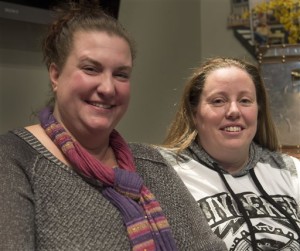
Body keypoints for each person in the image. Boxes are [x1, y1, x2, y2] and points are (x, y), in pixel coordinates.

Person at [0, 2, 227, 251]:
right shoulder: (14, 160)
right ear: (55, 75)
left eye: (121, 74)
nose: (107, 88)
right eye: (90, 69)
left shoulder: (151, 163)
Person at [158, 57, 300, 251]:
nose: (234, 111)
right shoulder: (164, 172)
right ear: (193, 113)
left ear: (258, 110)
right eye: (218, 101)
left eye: (245, 100)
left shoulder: (289, 170)